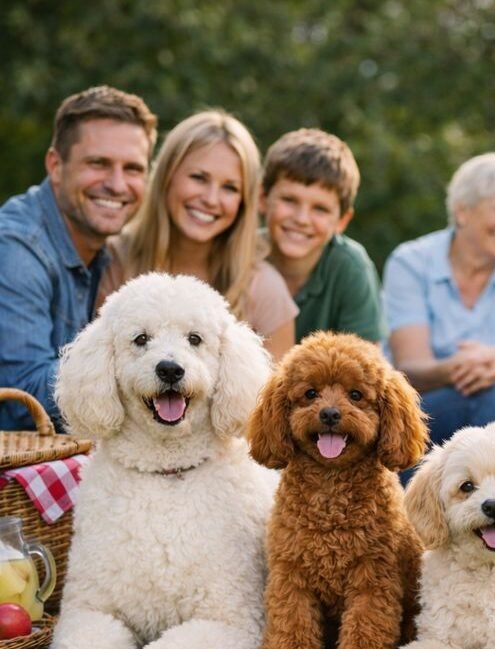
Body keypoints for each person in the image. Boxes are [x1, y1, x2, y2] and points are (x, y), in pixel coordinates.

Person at [383, 152, 495, 467]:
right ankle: (413, 511)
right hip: (431, 399)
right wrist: (462, 366)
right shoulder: (410, 262)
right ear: (463, 211)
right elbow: (410, 367)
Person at [0, 85, 156, 431]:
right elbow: (24, 396)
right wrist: (142, 362)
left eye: (132, 168)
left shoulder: (105, 249)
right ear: (56, 166)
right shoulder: (16, 249)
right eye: (98, 163)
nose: (117, 185)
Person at [98, 110, 297, 360]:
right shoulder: (113, 261)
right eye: (198, 178)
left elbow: (279, 397)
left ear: (244, 202)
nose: (211, 199)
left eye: (229, 188)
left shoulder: (264, 288)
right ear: (167, 176)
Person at [259, 128, 385, 343]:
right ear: (263, 198)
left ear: (342, 220)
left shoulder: (350, 268)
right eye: (289, 200)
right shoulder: (241, 253)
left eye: (320, 209)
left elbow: (366, 363)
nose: (302, 219)